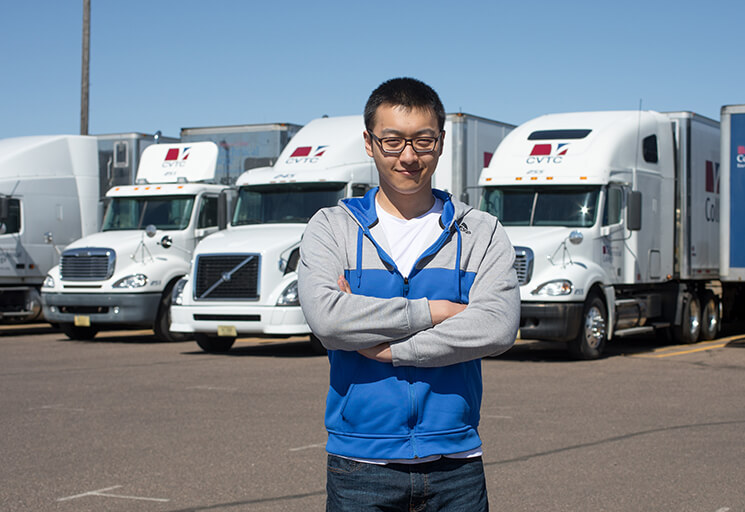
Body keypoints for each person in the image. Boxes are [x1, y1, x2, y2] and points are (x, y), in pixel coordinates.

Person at [297, 77, 520, 511]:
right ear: (369, 142)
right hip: (359, 464)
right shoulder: (332, 228)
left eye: (423, 140)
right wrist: (436, 311)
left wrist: (389, 350)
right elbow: (327, 318)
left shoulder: (480, 232)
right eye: (393, 141)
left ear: (440, 141)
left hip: (456, 464)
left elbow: (497, 327)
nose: (409, 156)